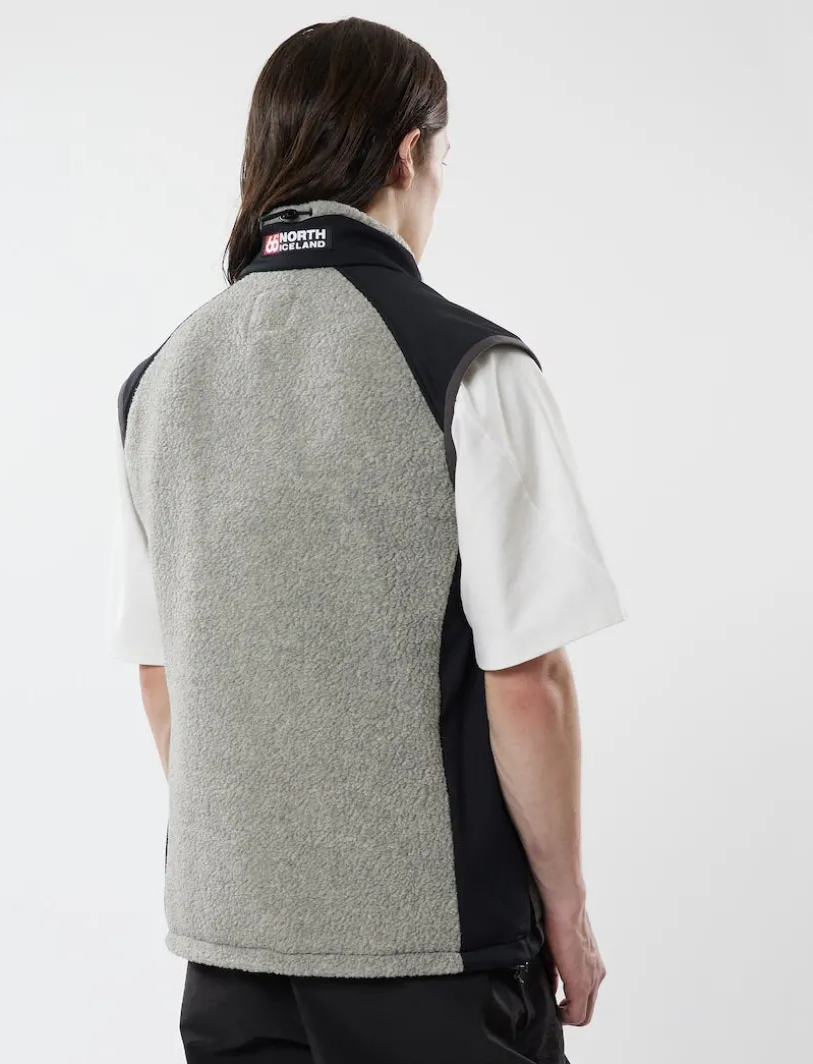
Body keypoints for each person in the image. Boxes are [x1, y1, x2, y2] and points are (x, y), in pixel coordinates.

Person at [107, 16, 626, 1064]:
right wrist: (567, 911)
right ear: (408, 153)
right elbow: (528, 680)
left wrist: (267, 871)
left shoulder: (161, 379)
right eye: (444, 160)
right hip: (434, 955)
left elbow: (162, 672)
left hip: (230, 948)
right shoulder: (469, 365)